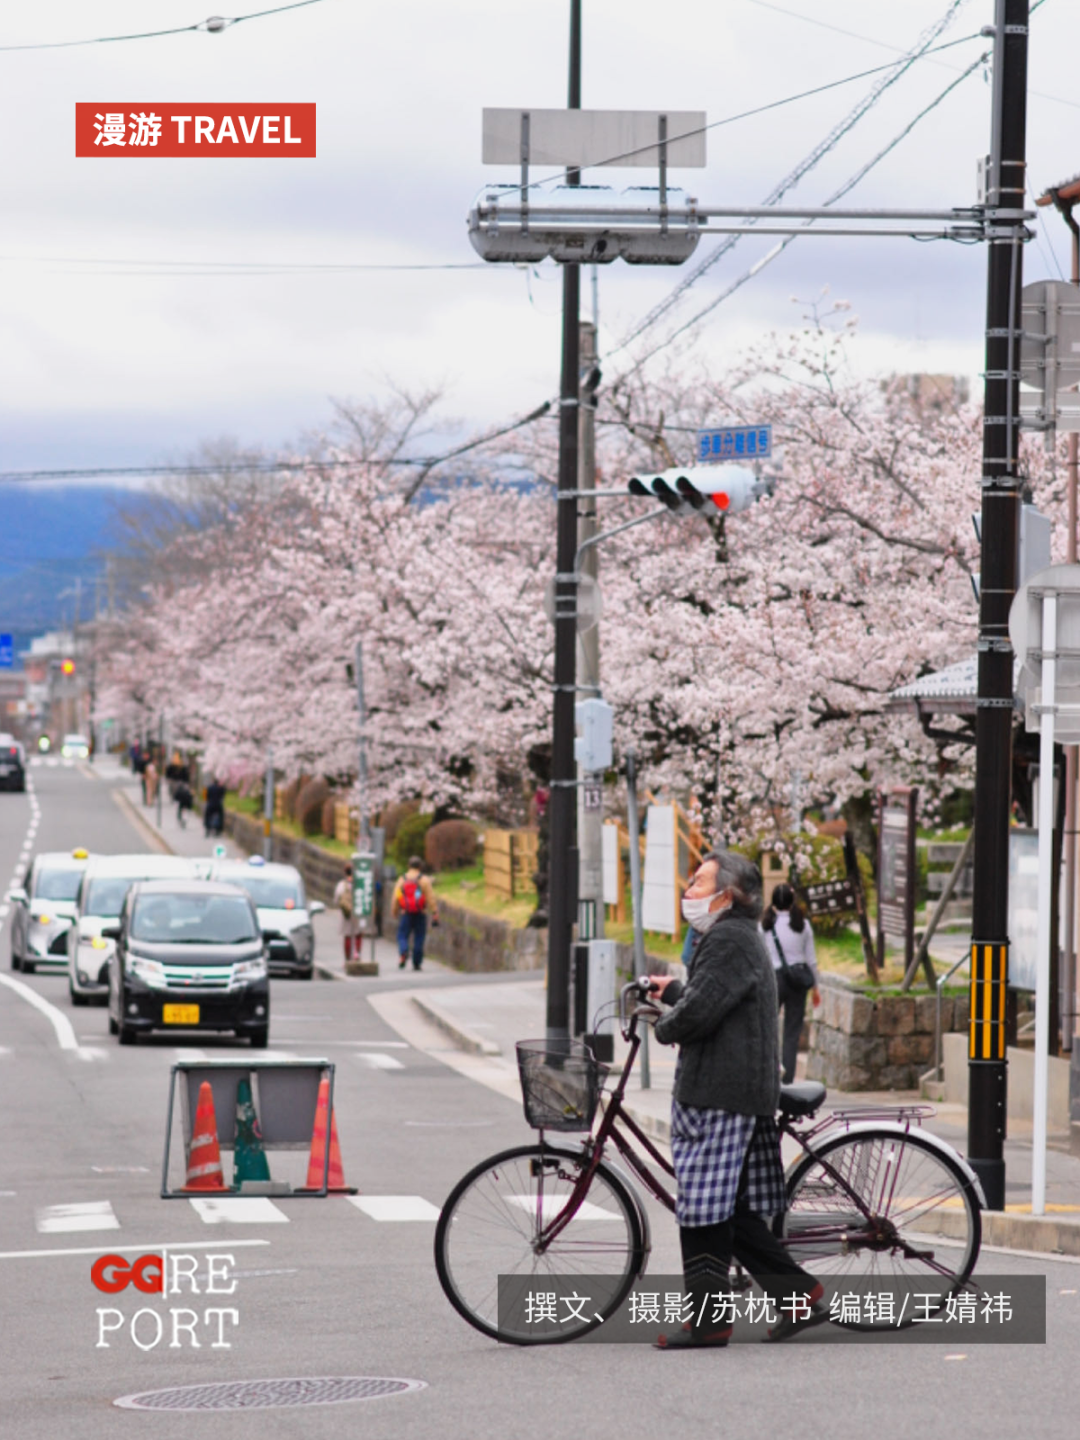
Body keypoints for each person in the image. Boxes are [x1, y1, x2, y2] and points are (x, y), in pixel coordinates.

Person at [648, 850, 826, 1349]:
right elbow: (714, 995)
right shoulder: (733, 936)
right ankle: (800, 1295)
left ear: (727, 895)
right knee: (730, 1208)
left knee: (703, 1207)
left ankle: (709, 1322)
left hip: (721, 1092)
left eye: (700, 881)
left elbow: (699, 1012)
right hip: (737, 1086)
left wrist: (664, 1022)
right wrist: (674, 993)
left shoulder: (725, 937)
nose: (690, 888)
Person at [761, 883, 821, 1085]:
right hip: (797, 981)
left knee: (768, 1027)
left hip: (773, 980)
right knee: (792, 1032)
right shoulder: (802, 925)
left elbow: (760, 957)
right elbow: (811, 960)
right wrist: (816, 987)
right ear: (792, 901)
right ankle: (788, 1079)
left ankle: (770, 1072)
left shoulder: (765, 925)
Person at [392, 857, 438, 971]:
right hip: (420, 913)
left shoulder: (402, 880)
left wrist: (394, 911)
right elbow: (430, 897)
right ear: (420, 867)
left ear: (408, 866)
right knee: (419, 937)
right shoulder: (424, 880)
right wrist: (434, 912)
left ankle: (403, 952)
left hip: (406, 913)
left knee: (402, 935)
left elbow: (396, 897)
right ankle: (416, 963)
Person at [333, 863, 356, 966]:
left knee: (347, 936)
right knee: (358, 934)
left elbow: (336, 899)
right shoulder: (358, 883)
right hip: (357, 912)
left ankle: (347, 959)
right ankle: (357, 954)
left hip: (346, 913)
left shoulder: (342, 884)